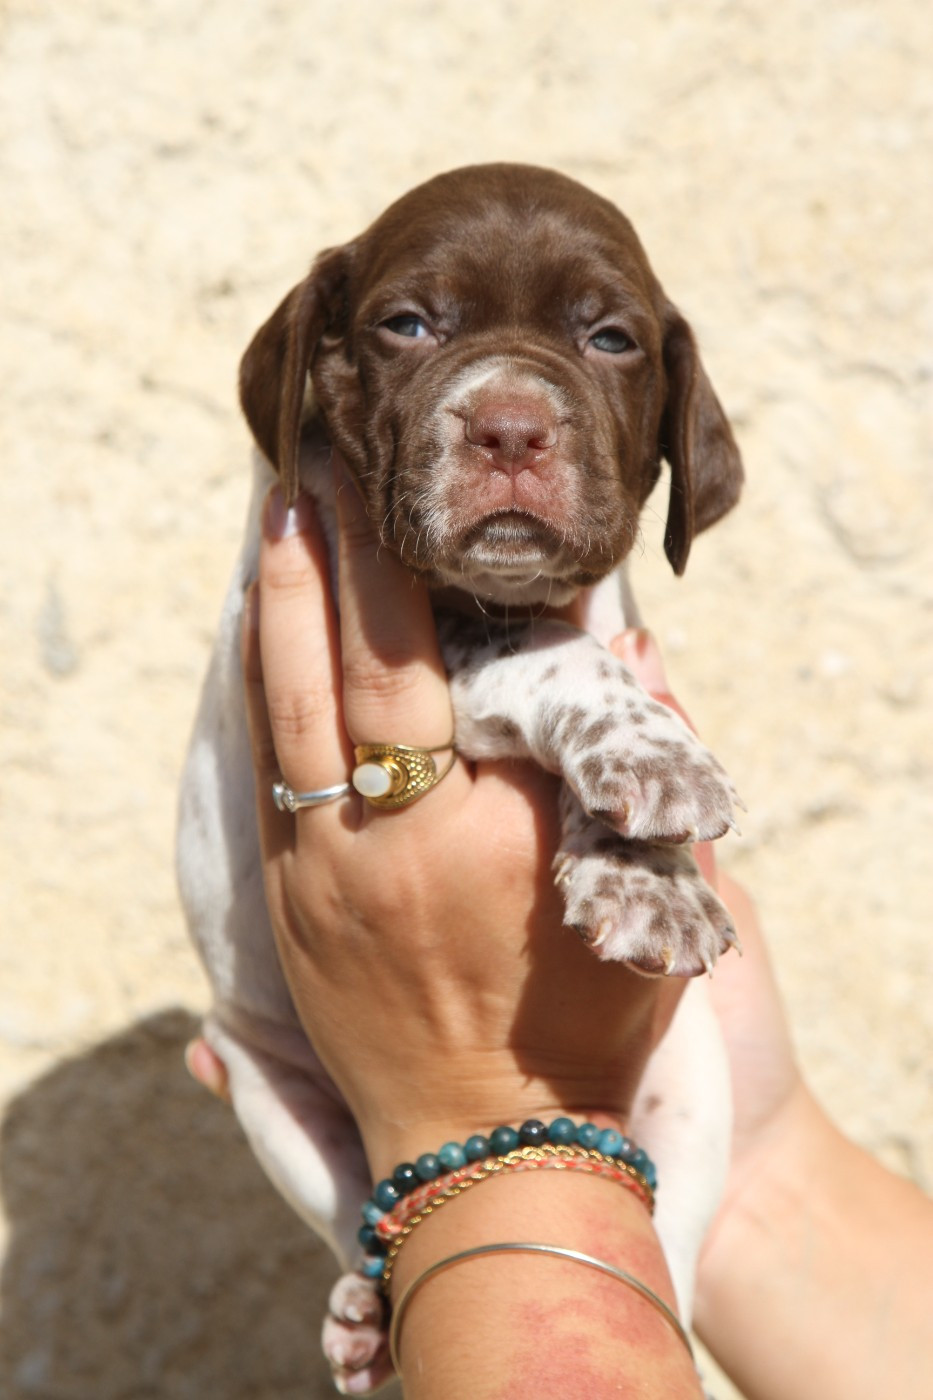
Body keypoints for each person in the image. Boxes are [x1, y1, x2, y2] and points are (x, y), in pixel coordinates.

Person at [187, 475, 933, 1399]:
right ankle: (369, 1246)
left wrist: (479, 1124)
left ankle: (410, 1256)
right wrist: (759, 1156)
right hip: (314, 1059)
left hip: (597, 1116)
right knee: (254, 1053)